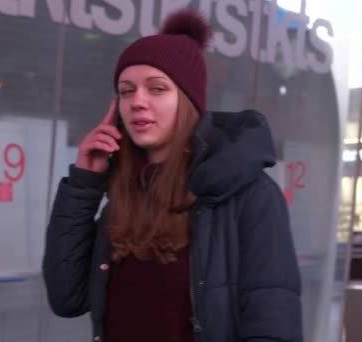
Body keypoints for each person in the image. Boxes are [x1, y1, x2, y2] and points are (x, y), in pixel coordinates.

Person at [42, 8, 303, 342]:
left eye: (157, 88)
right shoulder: (124, 196)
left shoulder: (249, 195)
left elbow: (274, 327)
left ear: (188, 101)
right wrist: (84, 184)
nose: (137, 101)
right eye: (126, 90)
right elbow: (66, 298)